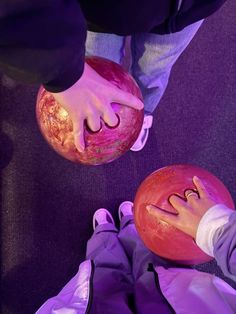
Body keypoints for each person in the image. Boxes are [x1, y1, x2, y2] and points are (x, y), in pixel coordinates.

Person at [0, 1, 228, 152]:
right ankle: (102, 122)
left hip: (189, 9)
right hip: (102, 10)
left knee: (153, 72)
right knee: (98, 70)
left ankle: (140, 115)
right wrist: (63, 71)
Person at [36, 176, 236, 313]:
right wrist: (213, 227)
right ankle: (133, 226)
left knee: (103, 278)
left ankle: (105, 233)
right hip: (187, 304)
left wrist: (216, 228)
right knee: (154, 267)